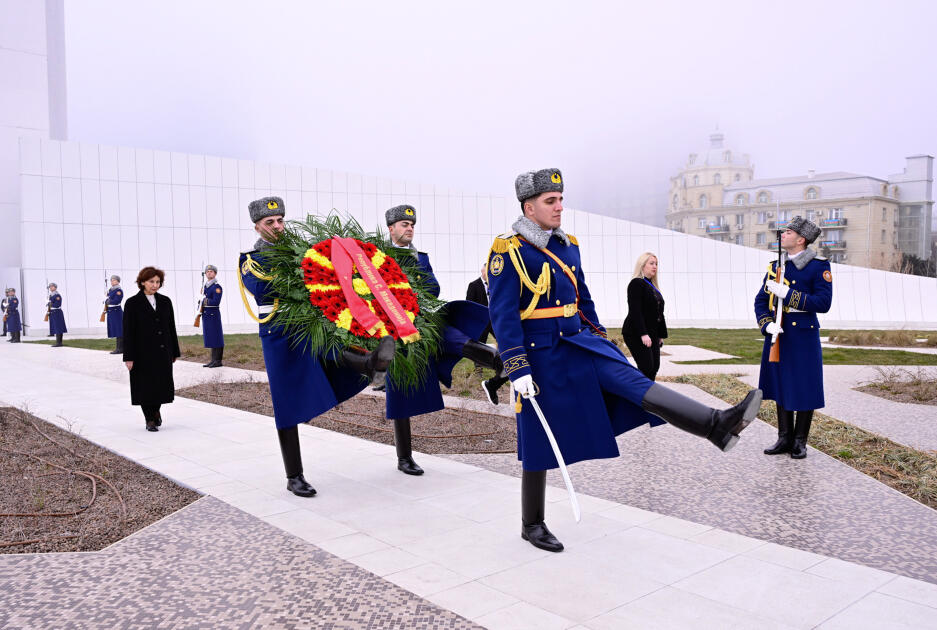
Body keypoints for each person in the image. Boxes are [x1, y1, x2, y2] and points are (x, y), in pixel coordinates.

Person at [487, 168, 762, 553]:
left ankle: (715, 424)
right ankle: (531, 522)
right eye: (551, 201)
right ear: (529, 208)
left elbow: (583, 298)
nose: (560, 207)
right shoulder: (509, 249)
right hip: (540, 354)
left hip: (582, 343)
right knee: (537, 436)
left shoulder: (568, 245)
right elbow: (502, 313)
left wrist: (601, 338)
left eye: (561, 199)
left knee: (636, 384)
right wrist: (516, 367)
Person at [239, 196, 395, 497]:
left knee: (332, 355)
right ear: (257, 227)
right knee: (286, 403)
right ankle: (294, 475)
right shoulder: (251, 260)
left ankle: (371, 364)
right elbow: (263, 288)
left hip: (309, 324)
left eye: (280, 220)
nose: (277, 226)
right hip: (278, 331)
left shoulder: (301, 252)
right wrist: (301, 273)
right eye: (270, 222)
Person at [383, 204, 501, 475]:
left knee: (456, 336)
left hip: (423, 319)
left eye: (412, 224)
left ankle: (499, 362)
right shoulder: (378, 257)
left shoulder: (420, 257)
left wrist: (415, 277)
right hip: (394, 330)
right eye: (403, 224)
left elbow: (433, 288)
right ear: (391, 229)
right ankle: (404, 458)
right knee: (399, 392)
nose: (409, 228)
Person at [756, 216, 832, 459]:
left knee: (804, 385)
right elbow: (760, 301)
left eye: (788, 232)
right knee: (780, 384)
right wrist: (766, 324)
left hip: (803, 335)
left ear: (801, 239)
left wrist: (789, 294)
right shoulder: (776, 265)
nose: (783, 235)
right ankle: (784, 437)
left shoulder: (818, 266)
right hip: (779, 333)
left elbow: (823, 303)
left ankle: (800, 441)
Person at [122, 267, 181, 432]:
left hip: (163, 351)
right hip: (142, 353)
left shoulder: (165, 301)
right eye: (151, 282)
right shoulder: (132, 303)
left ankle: (156, 411)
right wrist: (129, 357)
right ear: (142, 282)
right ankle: (150, 419)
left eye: (158, 282)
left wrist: (175, 351)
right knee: (145, 386)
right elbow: (128, 332)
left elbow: (171, 328)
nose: (155, 285)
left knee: (162, 385)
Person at [621, 253, 668, 380]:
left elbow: (658, 313)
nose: (655, 267)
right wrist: (643, 334)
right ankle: (634, 392)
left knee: (654, 367)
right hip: (636, 332)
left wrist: (660, 335)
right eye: (651, 263)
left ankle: (647, 396)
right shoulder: (636, 283)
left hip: (652, 332)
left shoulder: (652, 286)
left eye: (656, 264)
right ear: (642, 265)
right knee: (647, 367)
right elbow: (635, 311)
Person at [200, 264, 225, 368]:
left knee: (217, 337)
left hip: (213, 314)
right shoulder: (205, 286)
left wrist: (204, 300)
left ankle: (218, 361)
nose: (209, 273)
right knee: (211, 337)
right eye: (207, 271)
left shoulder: (217, 287)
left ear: (215, 273)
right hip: (206, 314)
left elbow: (216, 301)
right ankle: (213, 360)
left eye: (211, 271)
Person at [105, 275, 125, 354]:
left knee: (119, 330)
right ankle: (119, 348)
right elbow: (109, 298)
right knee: (115, 330)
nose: (112, 282)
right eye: (111, 280)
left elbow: (117, 300)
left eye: (113, 280)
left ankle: (120, 349)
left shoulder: (118, 290)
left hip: (116, 312)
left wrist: (109, 301)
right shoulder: (111, 290)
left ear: (117, 281)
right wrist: (106, 300)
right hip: (112, 312)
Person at [46, 282, 67, 347]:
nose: (50, 288)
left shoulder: (57, 295)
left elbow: (58, 304)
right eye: (50, 287)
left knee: (58, 327)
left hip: (57, 312)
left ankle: (59, 342)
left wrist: (50, 303)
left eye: (52, 286)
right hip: (53, 312)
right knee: (56, 327)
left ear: (55, 287)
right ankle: (58, 342)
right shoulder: (51, 295)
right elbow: (49, 303)